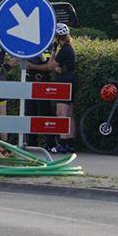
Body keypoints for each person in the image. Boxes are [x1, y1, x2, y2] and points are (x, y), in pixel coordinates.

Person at [48, 24, 77, 154]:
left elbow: (50, 65)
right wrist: (58, 69)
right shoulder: (70, 48)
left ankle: (63, 144)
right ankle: (70, 143)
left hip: (63, 84)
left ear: (58, 37)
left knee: (62, 114)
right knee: (70, 115)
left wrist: (53, 50)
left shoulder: (63, 50)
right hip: (71, 82)